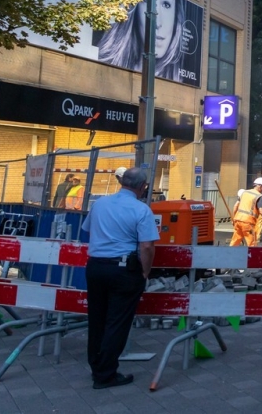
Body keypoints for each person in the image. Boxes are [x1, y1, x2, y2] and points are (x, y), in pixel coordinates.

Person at [80, 166, 158, 389]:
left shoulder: (100, 204)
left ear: (122, 182)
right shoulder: (141, 210)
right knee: (117, 322)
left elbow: (88, 230)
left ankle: (97, 367)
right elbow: (147, 246)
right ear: (143, 187)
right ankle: (106, 374)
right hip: (123, 270)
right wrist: (145, 271)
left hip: (95, 267)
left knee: (97, 319)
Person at [96, 0, 186, 82]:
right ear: (132, 8)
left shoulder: (181, 81)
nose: (158, 24)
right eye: (146, 0)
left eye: (166, 4)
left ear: (176, 15)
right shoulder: (101, 68)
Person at [230, 177, 262, 247]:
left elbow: (236, 206)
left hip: (238, 221)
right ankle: (253, 257)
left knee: (235, 241)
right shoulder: (259, 196)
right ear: (260, 186)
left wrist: (233, 218)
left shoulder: (244, 192)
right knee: (252, 244)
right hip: (248, 223)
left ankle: (228, 254)